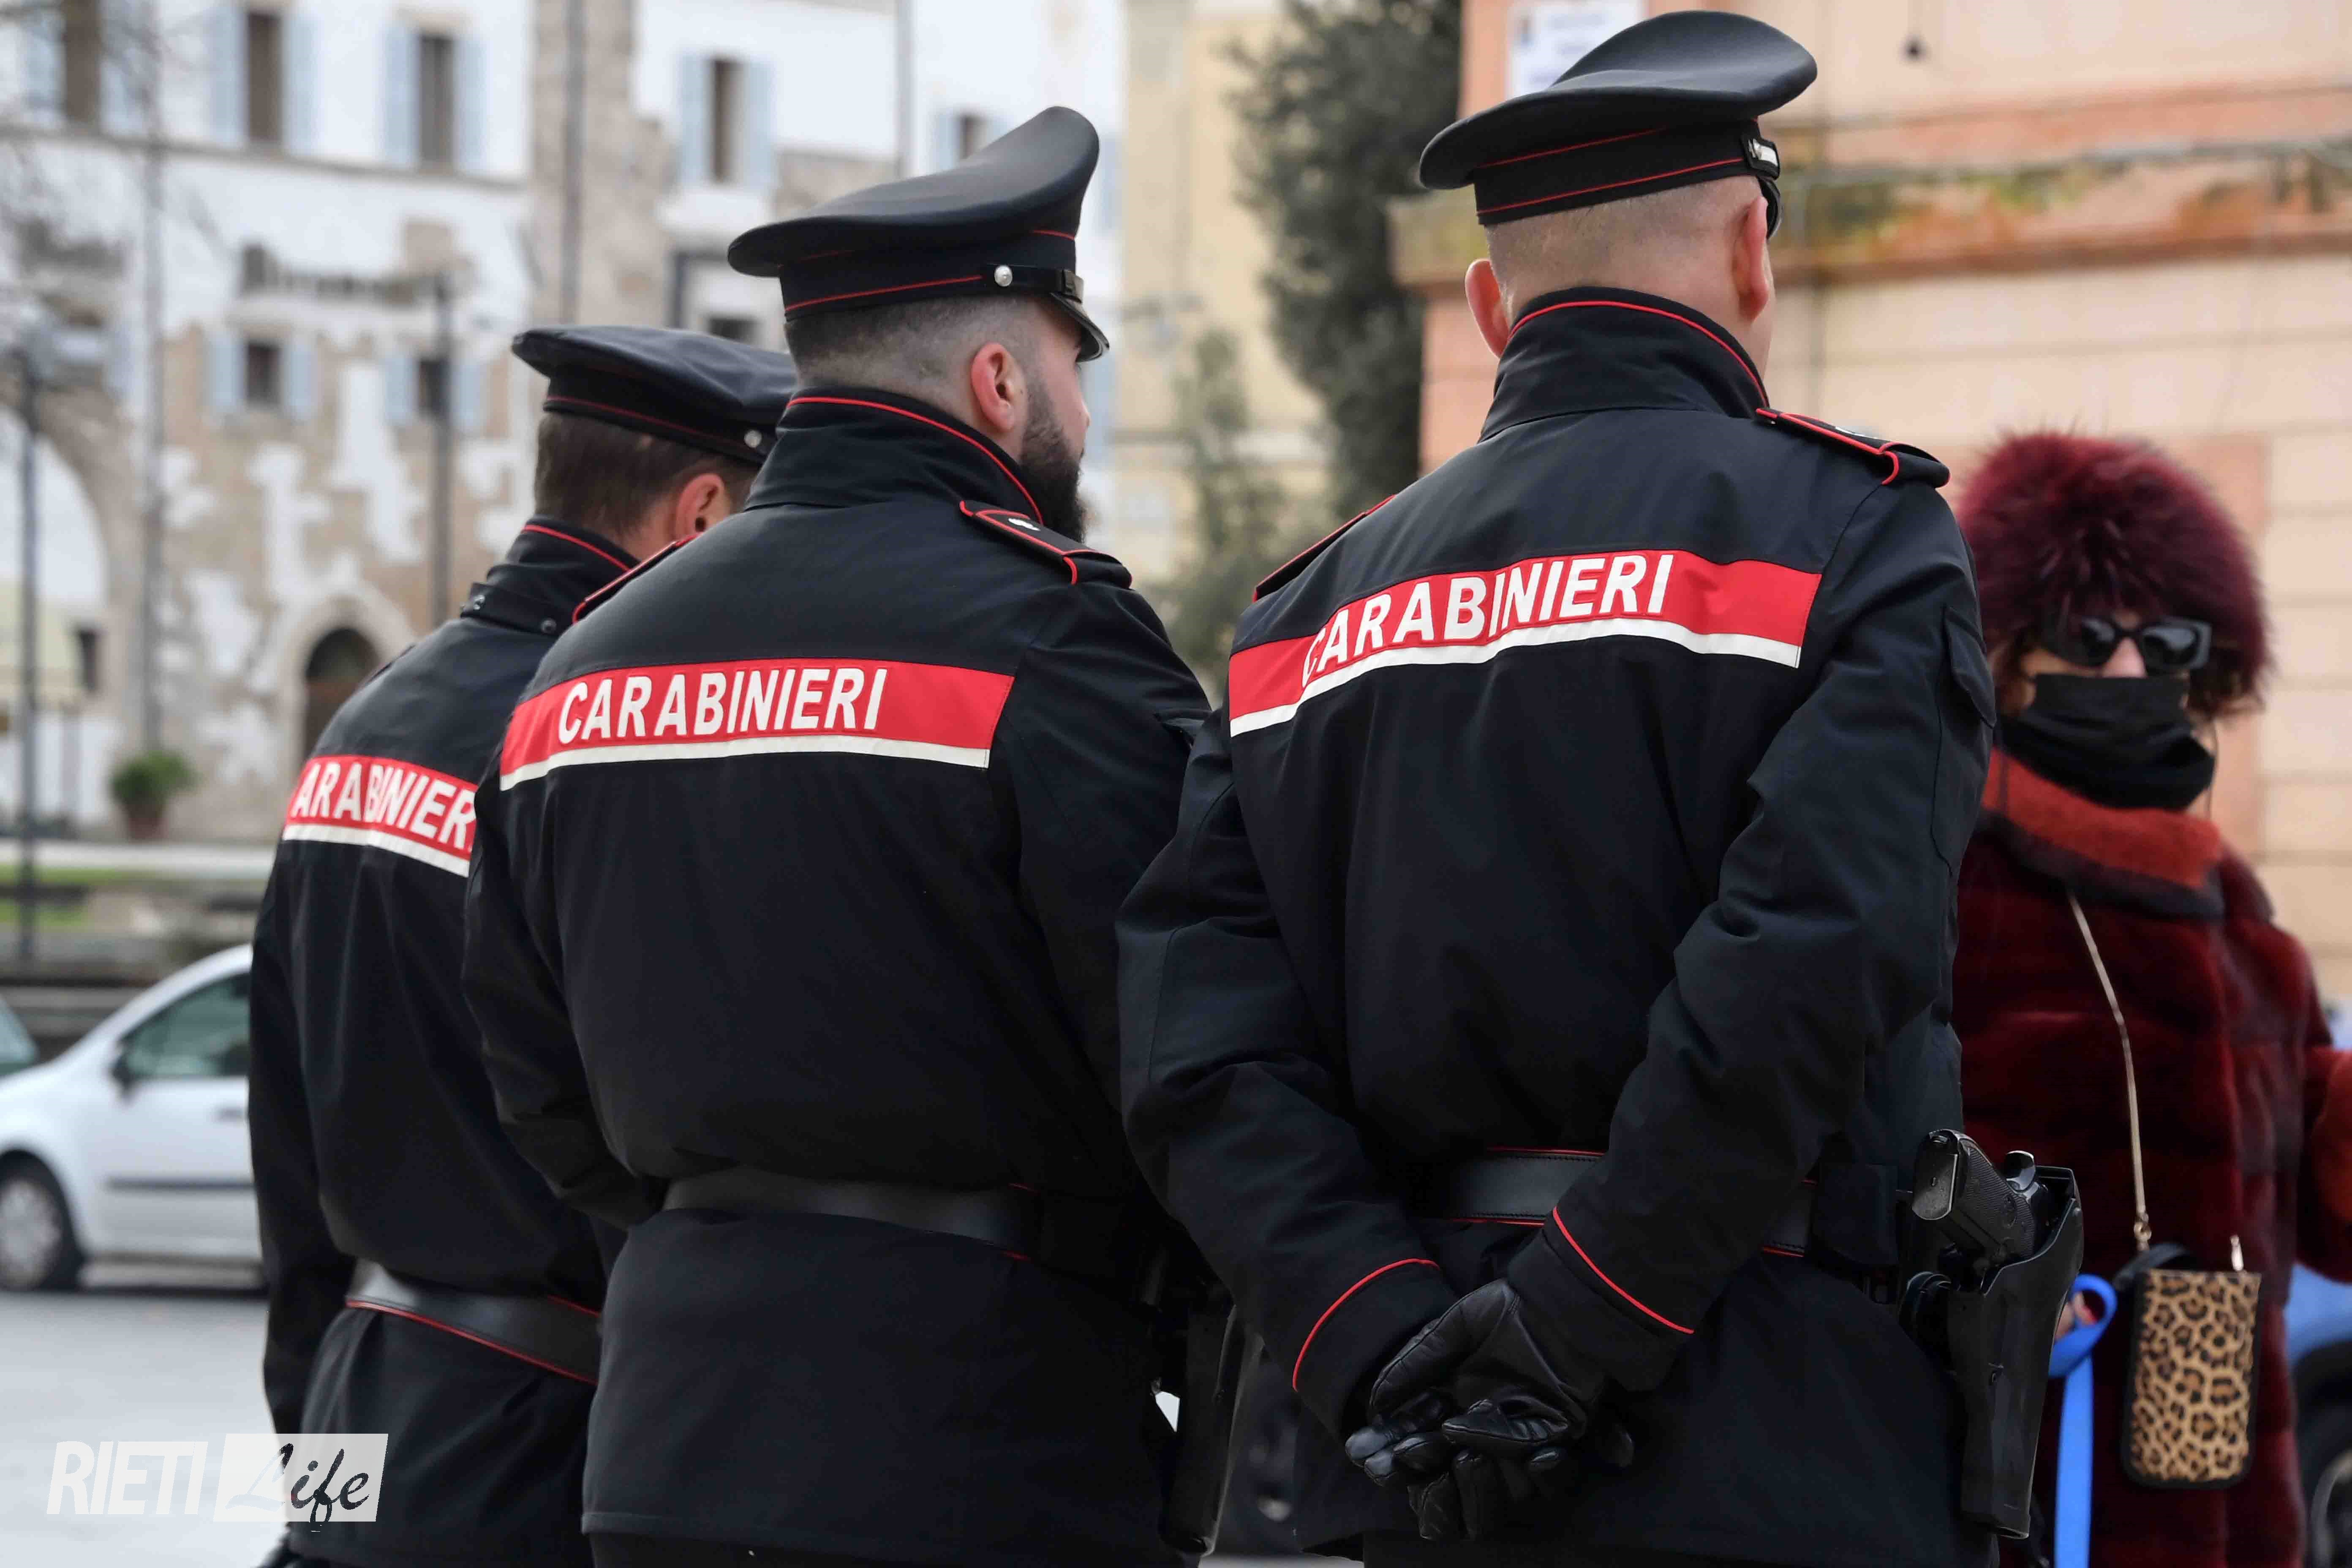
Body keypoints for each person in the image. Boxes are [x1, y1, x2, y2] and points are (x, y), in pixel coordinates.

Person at [1119, 11, 1999, 1567]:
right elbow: (1813, 962)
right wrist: (1577, 1322)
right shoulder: (1856, 540)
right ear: (1752, 253)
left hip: (1404, 1464)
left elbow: (1202, 1048)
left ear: (1490, 306)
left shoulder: (1299, 621)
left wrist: (1375, 1341)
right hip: (1766, 1432)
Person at [462, 108, 1208, 1568]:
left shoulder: (580, 667)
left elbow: (536, 1085)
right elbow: (1183, 1047)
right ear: (1000, 380)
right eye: (1075, 366)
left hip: (667, 1449)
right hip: (984, 1445)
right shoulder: (1053, 636)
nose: (1082, 412)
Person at [247, 325, 795, 1568]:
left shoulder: (365, 721)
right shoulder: (596, 747)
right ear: (703, 515)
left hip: (362, 1404)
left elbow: (286, 1149)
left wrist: (318, 1468)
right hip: (552, 1445)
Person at [1950, 432, 2352, 1568]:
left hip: (2229, 1485)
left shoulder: (2232, 900)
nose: (2131, 672)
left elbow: (2329, 1215)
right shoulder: (1952, 873)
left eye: (2167, 643)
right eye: (2090, 636)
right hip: (2017, 1480)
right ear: (2009, 653)